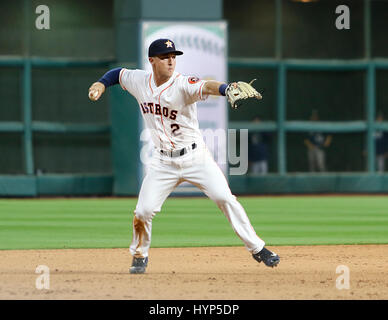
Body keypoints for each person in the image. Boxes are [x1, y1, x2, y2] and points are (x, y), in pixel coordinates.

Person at [88, 39, 279, 274]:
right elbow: (117, 74)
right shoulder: (139, 80)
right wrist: (100, 84)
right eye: (165, 56)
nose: (171, 61)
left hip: (195, 157)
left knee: (225, 198)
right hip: (162, 162)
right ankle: (140, 255)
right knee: (143, 212)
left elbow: (206, 86)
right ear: (152, 61)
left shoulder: (183, 84)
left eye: (173, 56)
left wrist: (226, 88)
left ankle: (258, 248)